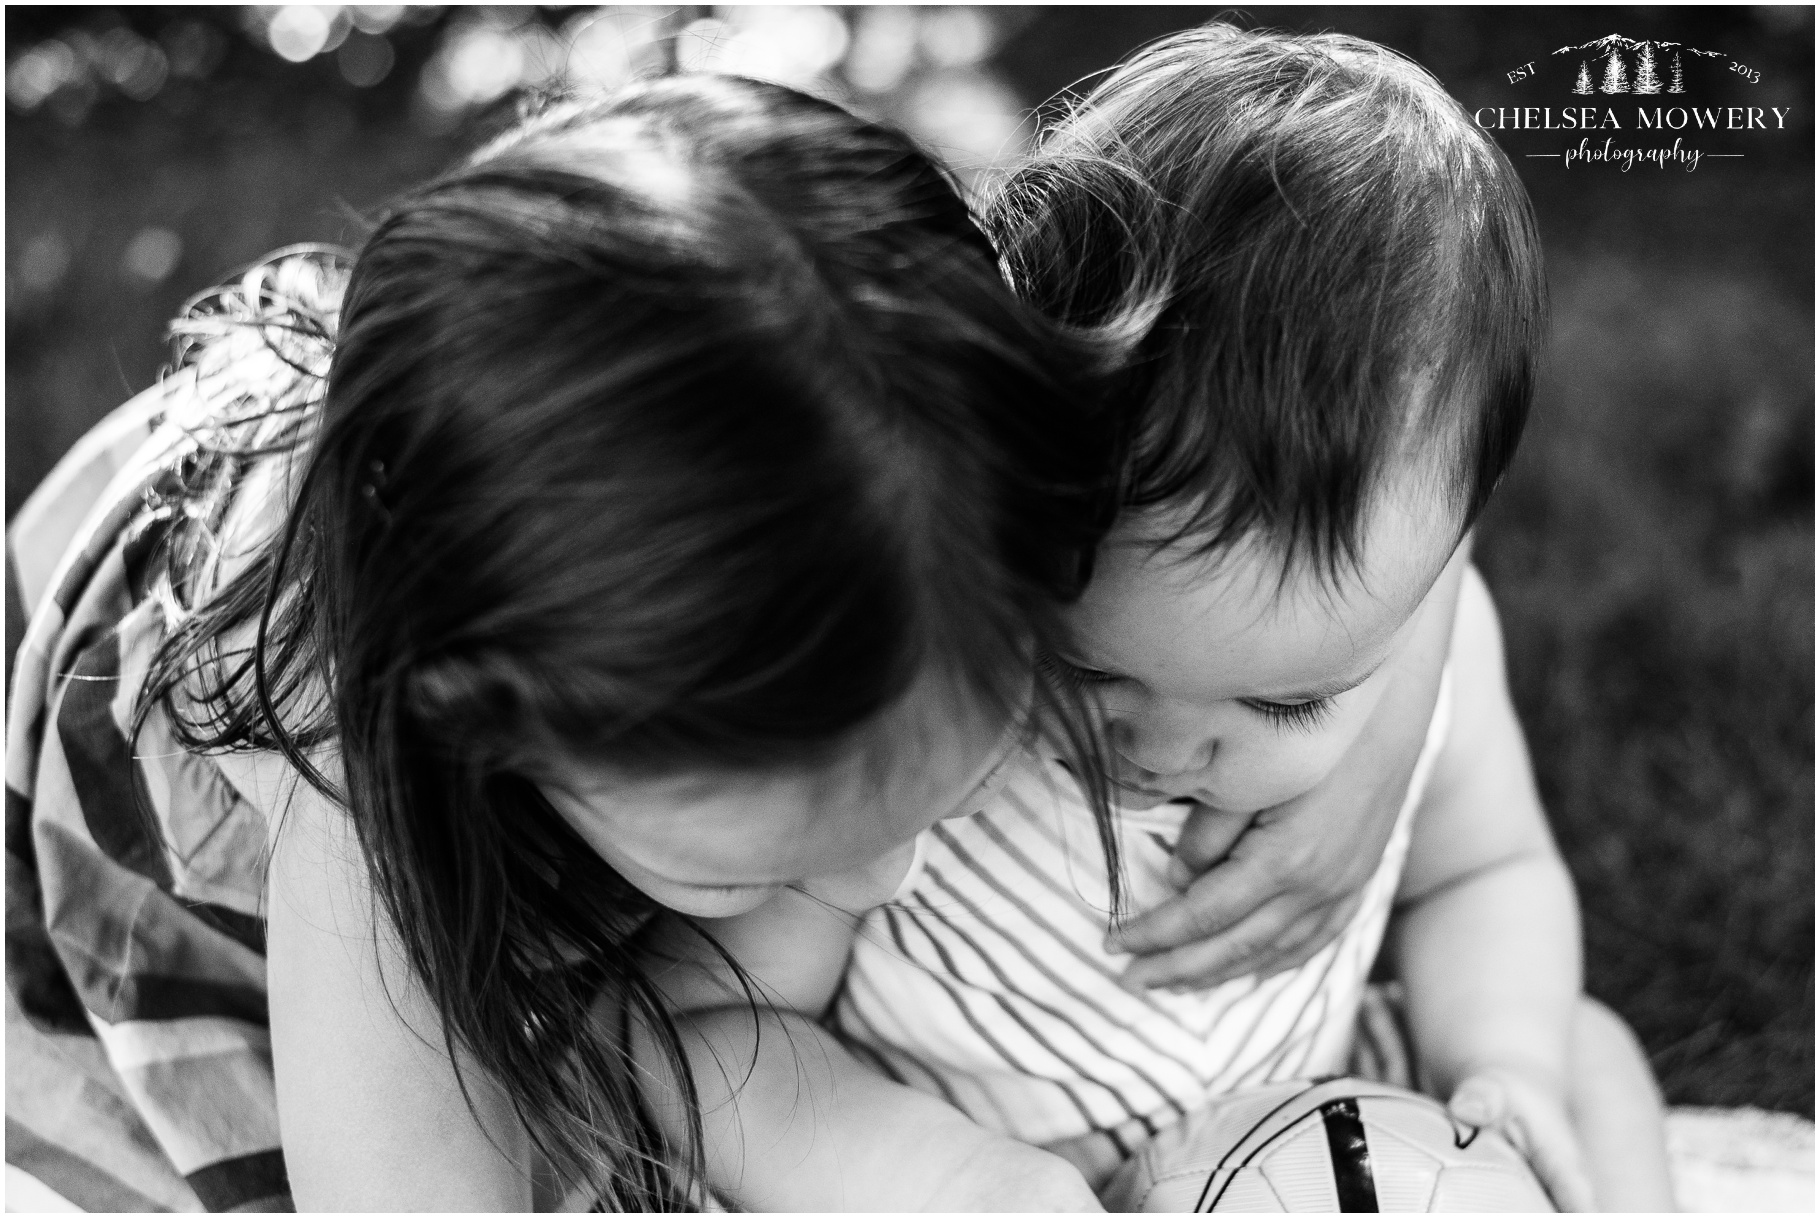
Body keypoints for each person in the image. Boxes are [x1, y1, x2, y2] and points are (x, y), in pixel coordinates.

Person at [6, 75, 1133, 1211]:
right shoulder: (340, 750)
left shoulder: (936, 479)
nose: (891, 879)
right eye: (752, 865)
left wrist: (1315, 751)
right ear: (489, 717)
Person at [643, 26, 1677, 1213]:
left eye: (1287, 700)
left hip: (1299, 1129)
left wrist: (1500, 1063)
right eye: (1088, 677)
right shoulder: (918, 708)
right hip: (955, 1150)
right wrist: (958, 1179)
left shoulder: (1431, 661)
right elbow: (710, 1030)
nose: (1170, 755)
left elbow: (1482, 874)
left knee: (1582, 1056)